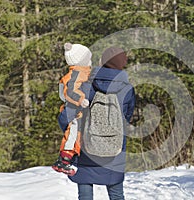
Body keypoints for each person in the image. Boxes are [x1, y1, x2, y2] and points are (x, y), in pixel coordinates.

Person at [58, 46, 135, 200]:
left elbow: (67, 117)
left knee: (85, 193)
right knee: (116, 194)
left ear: (101, 61)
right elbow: (126, 117)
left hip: (87, 149)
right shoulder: (127, 89)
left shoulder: (85, 85)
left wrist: (71, 133)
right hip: (115, 149)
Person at [52, 42, 92, 176]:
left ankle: (67, 159)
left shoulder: (80, 71)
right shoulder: (77, 73)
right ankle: (65, 160)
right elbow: (70, 91)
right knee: (73, 133)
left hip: (75, 110)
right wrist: (81, 99)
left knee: (75, 134)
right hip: (75, 110)